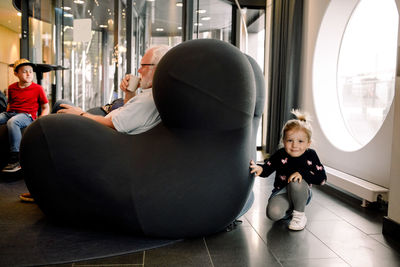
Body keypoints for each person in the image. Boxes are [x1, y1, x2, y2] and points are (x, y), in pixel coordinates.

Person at [19, 45, 170, 202]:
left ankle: (43, 189)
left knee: (55, 116)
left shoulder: (148, 100)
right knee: (61, 105)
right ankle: (44, 185)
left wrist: (81, 115)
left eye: (143, 66)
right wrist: (130, 92)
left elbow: (114, 124)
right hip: (108, 131)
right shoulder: (149, 95)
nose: (138, 71)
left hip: (107, 138)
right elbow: (129, 114)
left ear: (158, 68)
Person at [250, 109, 327, 231]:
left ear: (308, 143)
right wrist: (259, 168)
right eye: (290, 140)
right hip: (282, 192)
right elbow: (267, 168)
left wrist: (303, 173)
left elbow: (322, 179)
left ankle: (299, 215)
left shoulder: (311, 155)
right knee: (273, 213)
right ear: (283, 141)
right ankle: (290, 210)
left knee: (296, 181)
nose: (295, 145)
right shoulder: (281, 154)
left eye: (300, 141)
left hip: (301, 190)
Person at [1, 59, 49, 173]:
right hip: (11, 112)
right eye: (24, 72)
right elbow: (10, 104)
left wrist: (40, 119)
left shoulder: (38, 88)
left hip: (27, 115)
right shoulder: (12, 87)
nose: (28, 74)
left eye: (31, 72)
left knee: (13, 122)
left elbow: (45, 107)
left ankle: (16, 157)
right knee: (6, 118)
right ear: (16, 74)